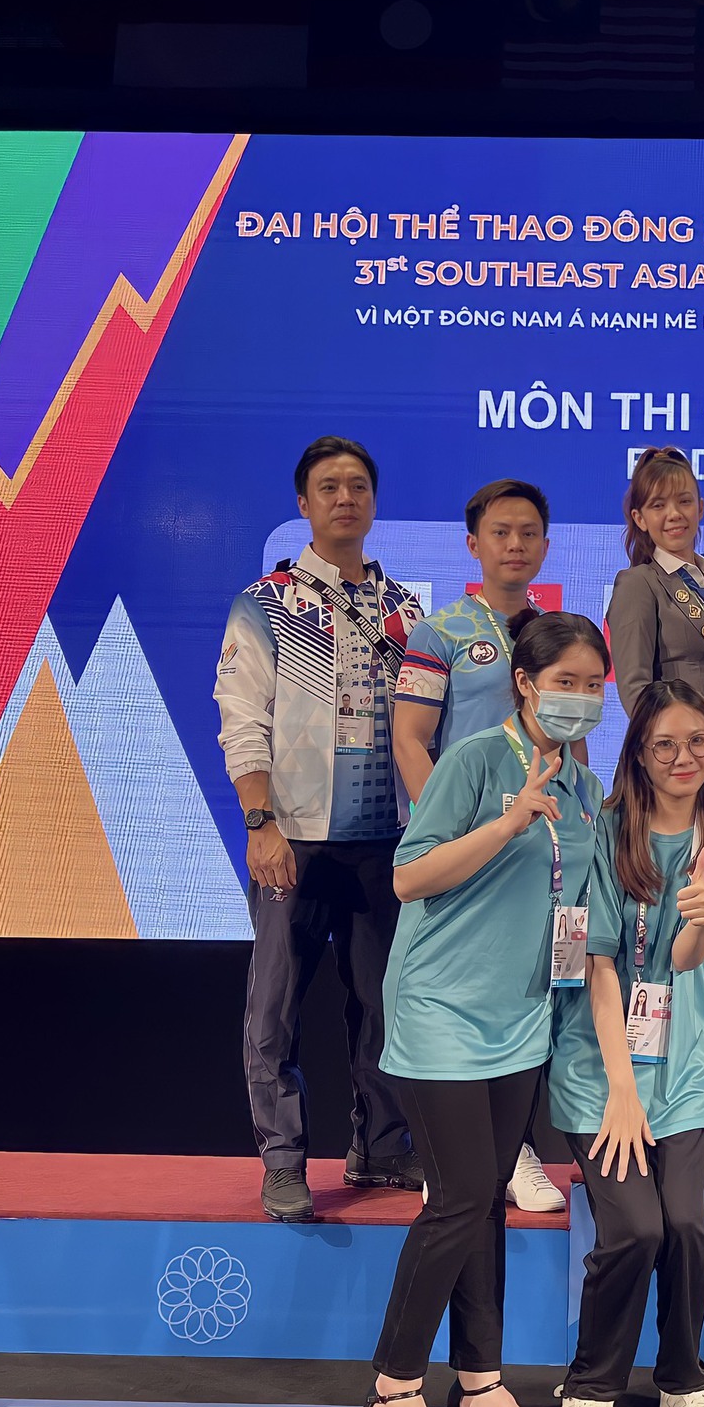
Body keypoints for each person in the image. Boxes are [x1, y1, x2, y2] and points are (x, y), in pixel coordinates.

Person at [367, 613, 610, 1407]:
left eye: (591, 684)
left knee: (484, 1206)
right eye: (565, 681)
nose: (578, 698)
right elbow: (409, 877)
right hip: (441, 1009)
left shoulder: (586, 785)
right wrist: (506, 824)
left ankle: (480, 1383)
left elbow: (580, 899)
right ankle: (393, 1390)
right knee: (462, 1195)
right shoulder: (474, 759)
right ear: (524, 682)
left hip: (521, 1019)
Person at [216, 436, 426, 1222]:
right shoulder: (264, 603)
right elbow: (241, 721)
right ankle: (283, 1161)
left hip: (384, 844)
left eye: (359, 486)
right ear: (303, 504)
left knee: (385, 1005)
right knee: (274, 1010)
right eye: (329, 487)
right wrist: (260, 821)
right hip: (294, 839)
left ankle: (382, 1148)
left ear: (373, 503)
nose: (346, 497)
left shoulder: (405, 611)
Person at [550, 680, 704, 1407]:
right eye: (665, 744)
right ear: (638, 751)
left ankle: (682, 1379)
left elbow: (684, 959)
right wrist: (619, 1089)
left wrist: (700, 920)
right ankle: (591, 1388)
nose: (683, 758)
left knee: (686, 1230)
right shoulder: (608, 833)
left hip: (681, 1067)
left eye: (698, 743)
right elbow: (600, 963)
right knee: (634, 1229)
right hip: (599, 1066)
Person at [393, 477, 569, 1213]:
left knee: (530, 995)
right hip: (464, 850)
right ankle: (445, 1153)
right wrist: (457, 831)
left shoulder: (555, 633)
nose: (516, 545)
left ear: (545, 546)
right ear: (474, 544)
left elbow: (570, 741)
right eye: (501, 532)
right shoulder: (438, 634)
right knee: (455, 999)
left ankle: (516, 1148)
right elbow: (409, 736)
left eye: (529, 533)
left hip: (536, 850)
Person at [605, 446, 704, 769]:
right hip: (676, 764)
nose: (674, 514)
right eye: (658, 505)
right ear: (640, 518)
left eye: (684, 501)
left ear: (700, 508)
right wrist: (676, 755)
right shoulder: (639, 584)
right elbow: (636, 691)